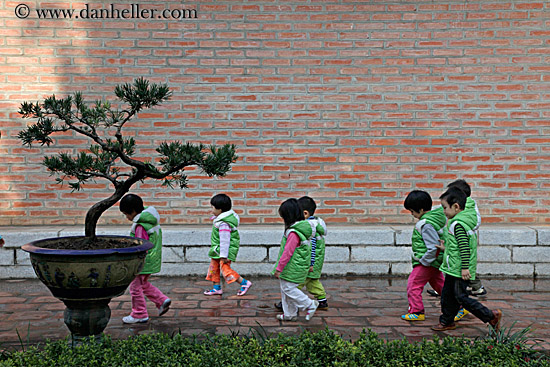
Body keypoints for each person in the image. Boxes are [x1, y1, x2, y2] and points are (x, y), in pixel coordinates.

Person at [431, 187, 502, 332]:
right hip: (453, 267)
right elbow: (457, 246)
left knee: (460, 297)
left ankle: (490, 316)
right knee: (446, 296)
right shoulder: (458, 222)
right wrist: (446, 249)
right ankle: (447, 321)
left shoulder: (458, 225)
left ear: (456, 207)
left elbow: (465, 249)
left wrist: (465, 268)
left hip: (458, 270)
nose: (444, 211)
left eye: (445, 208)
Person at [120, 194, 171, 324]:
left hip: (143, 261)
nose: (127, 218)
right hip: (151, 259)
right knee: (143, 284)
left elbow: (140, 245)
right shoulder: (151, 219)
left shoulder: (140, 226)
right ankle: (161, 300)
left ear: (133, 211)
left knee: (135, 288)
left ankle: (139, 314)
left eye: (127, 214)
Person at [275, 196, 329, 311]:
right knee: (312, 283)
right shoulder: (312, 226)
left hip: (309, 263)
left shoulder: (310, 229)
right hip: (311, 263)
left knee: (293, 285)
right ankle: (322, 300)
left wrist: (311, 263)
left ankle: (296, 303)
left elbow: (312, 249)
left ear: (305, 213)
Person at [401, 190, 446, 322]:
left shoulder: (426, 224)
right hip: (433, 261)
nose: (412, 214)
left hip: (427, 262)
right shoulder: (432, 220)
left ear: (420, 210)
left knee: (413, 284)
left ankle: (417, 310)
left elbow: (433, 246)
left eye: (412, 211)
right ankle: (459, 305)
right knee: (440, 285)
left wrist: (423, 261)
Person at [203, 193, 252, 296]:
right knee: (214, 268)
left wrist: (224, 256)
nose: (211, 210)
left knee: (226, 270)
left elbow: (225, 241)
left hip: (223, 252)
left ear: (220, 209)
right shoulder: (220, 220)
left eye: (212, 207)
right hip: (218, 250)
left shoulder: (224, 223)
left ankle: (244, 283)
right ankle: (216, 288)